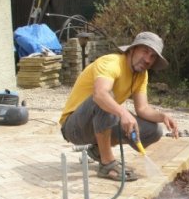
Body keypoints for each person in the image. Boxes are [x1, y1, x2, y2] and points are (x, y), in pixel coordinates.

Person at [59, 31, 179, 182]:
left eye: (153, 56)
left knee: (154, 130)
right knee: (108, 98)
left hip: (97, 123)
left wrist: (163, 116)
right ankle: (107, 164)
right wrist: (123, 113)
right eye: (145, 51)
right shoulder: (111, 63)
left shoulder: (141, 75)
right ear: (132, 49)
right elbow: (100, 94)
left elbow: (142, 109)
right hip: (74, 128)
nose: (148, 59)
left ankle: (99, 151)